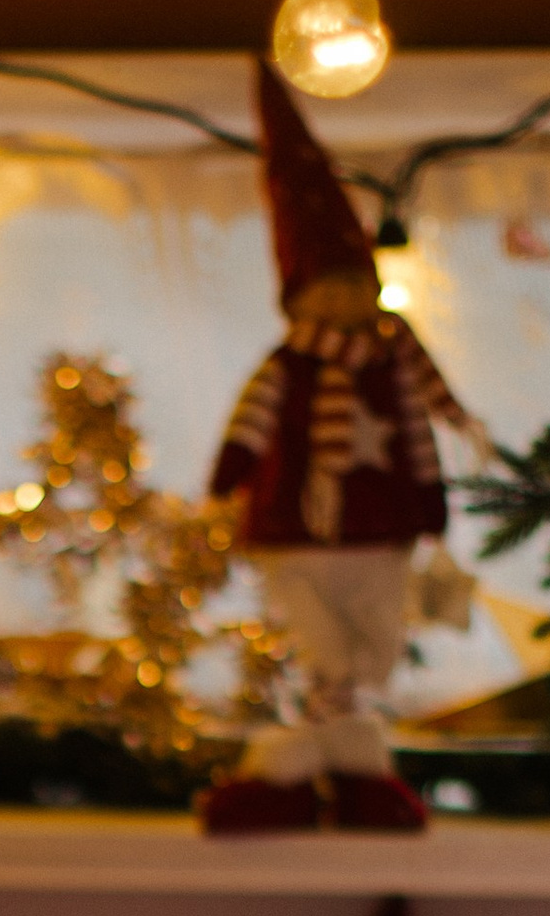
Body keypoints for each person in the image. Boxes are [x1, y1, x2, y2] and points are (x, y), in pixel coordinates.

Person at [202, 64, 479, 836]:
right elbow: (254, 421)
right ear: (297, 298)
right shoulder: (287, 367)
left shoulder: (394, 364)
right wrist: (230, 471)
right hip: (300, 526)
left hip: (379, 530)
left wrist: (431, 502)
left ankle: (328, 758)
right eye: (325, 289)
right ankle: (335, 759)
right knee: (319, 640)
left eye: (351, 286)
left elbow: (421, 439)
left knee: (372, 642)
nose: (341, 302)